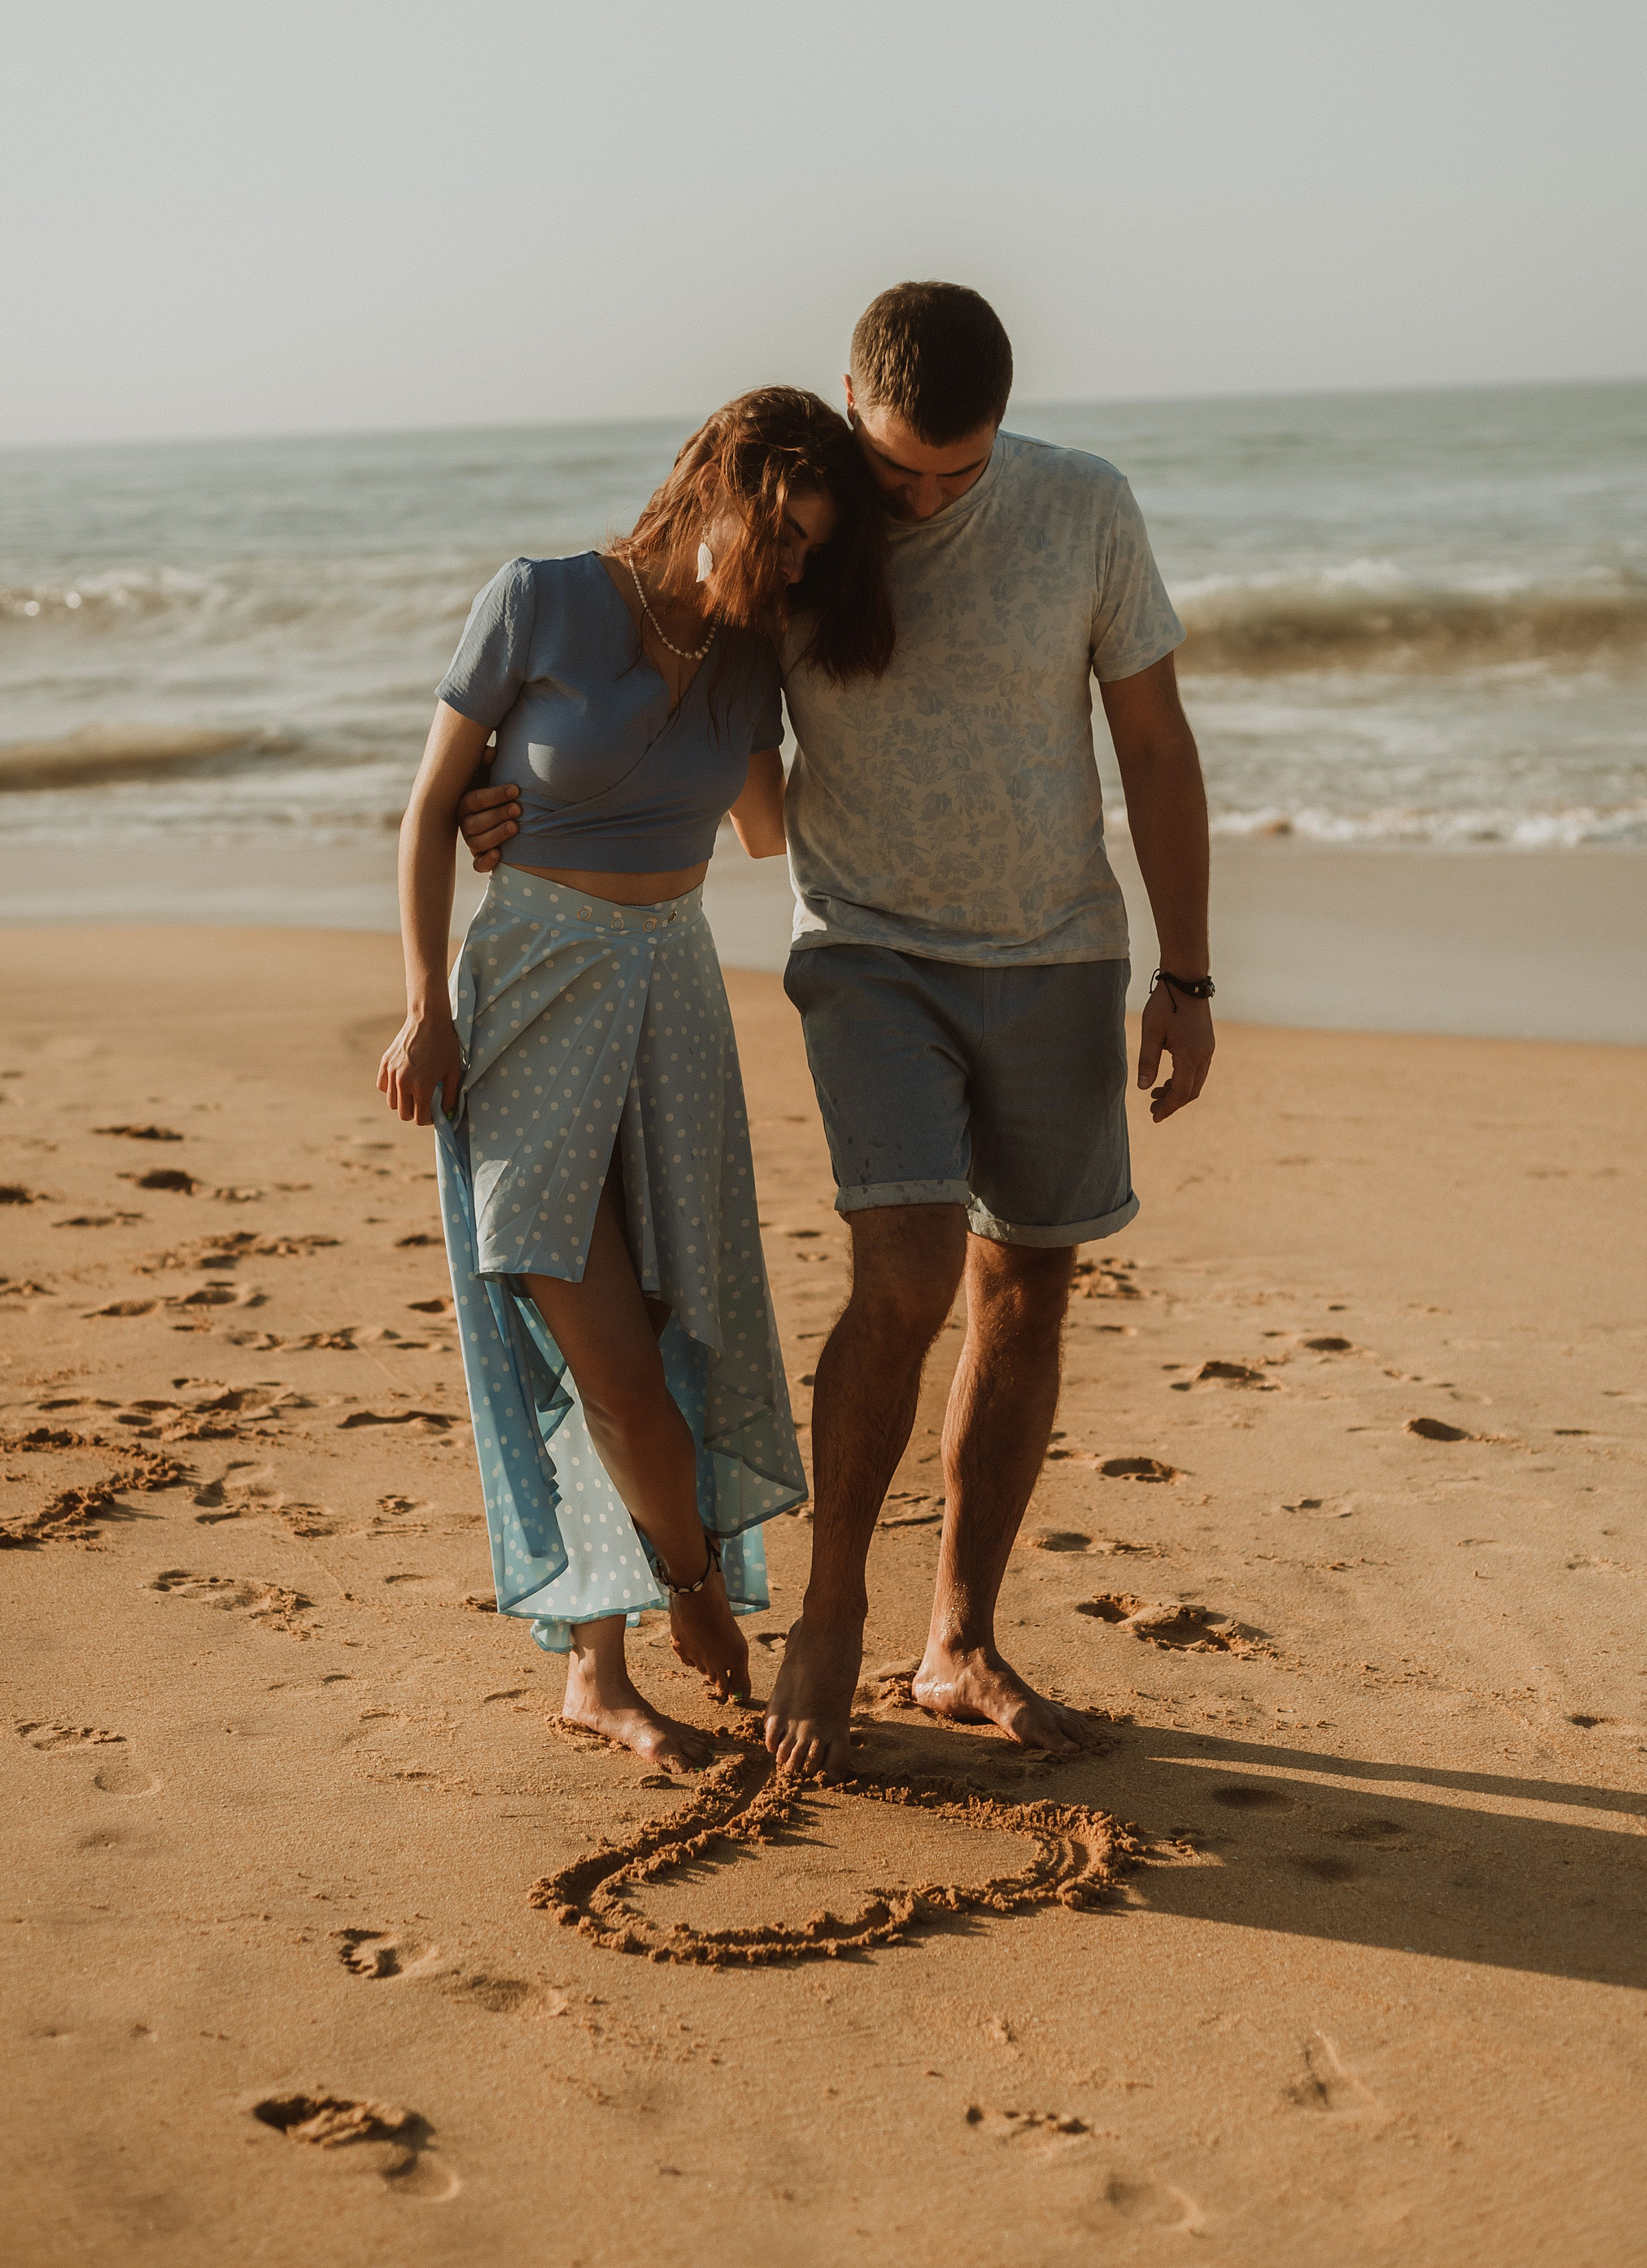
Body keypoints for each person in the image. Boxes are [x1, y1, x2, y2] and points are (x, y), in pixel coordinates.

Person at [461, 283, 1215, 1783]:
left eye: (960, 470)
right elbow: (652, 673)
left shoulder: (1083, 508)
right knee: (908, 1273)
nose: (924, 499)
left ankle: (956, 1641)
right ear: (848, 415)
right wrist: (524, 808)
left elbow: (1149, 740)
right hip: (867, 953)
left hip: (1058, 951)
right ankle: (828, 1613)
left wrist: (1183, 976)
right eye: (899, 471)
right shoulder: (803, 540)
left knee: (1027, 1291)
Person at [379, 386, 891, 1771]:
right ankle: (684, 1590)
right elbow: (431, 812)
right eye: (778, 532)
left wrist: (817, 679)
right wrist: (424, 1005)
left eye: (808, 551)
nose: (786, 565)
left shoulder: (754, 653)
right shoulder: (539, 599)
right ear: (712, 482)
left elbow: (773, 830)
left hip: (671, 989)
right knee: (602, 1362)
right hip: (532, 985)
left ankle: (596, 1681)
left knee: (671, 1319)